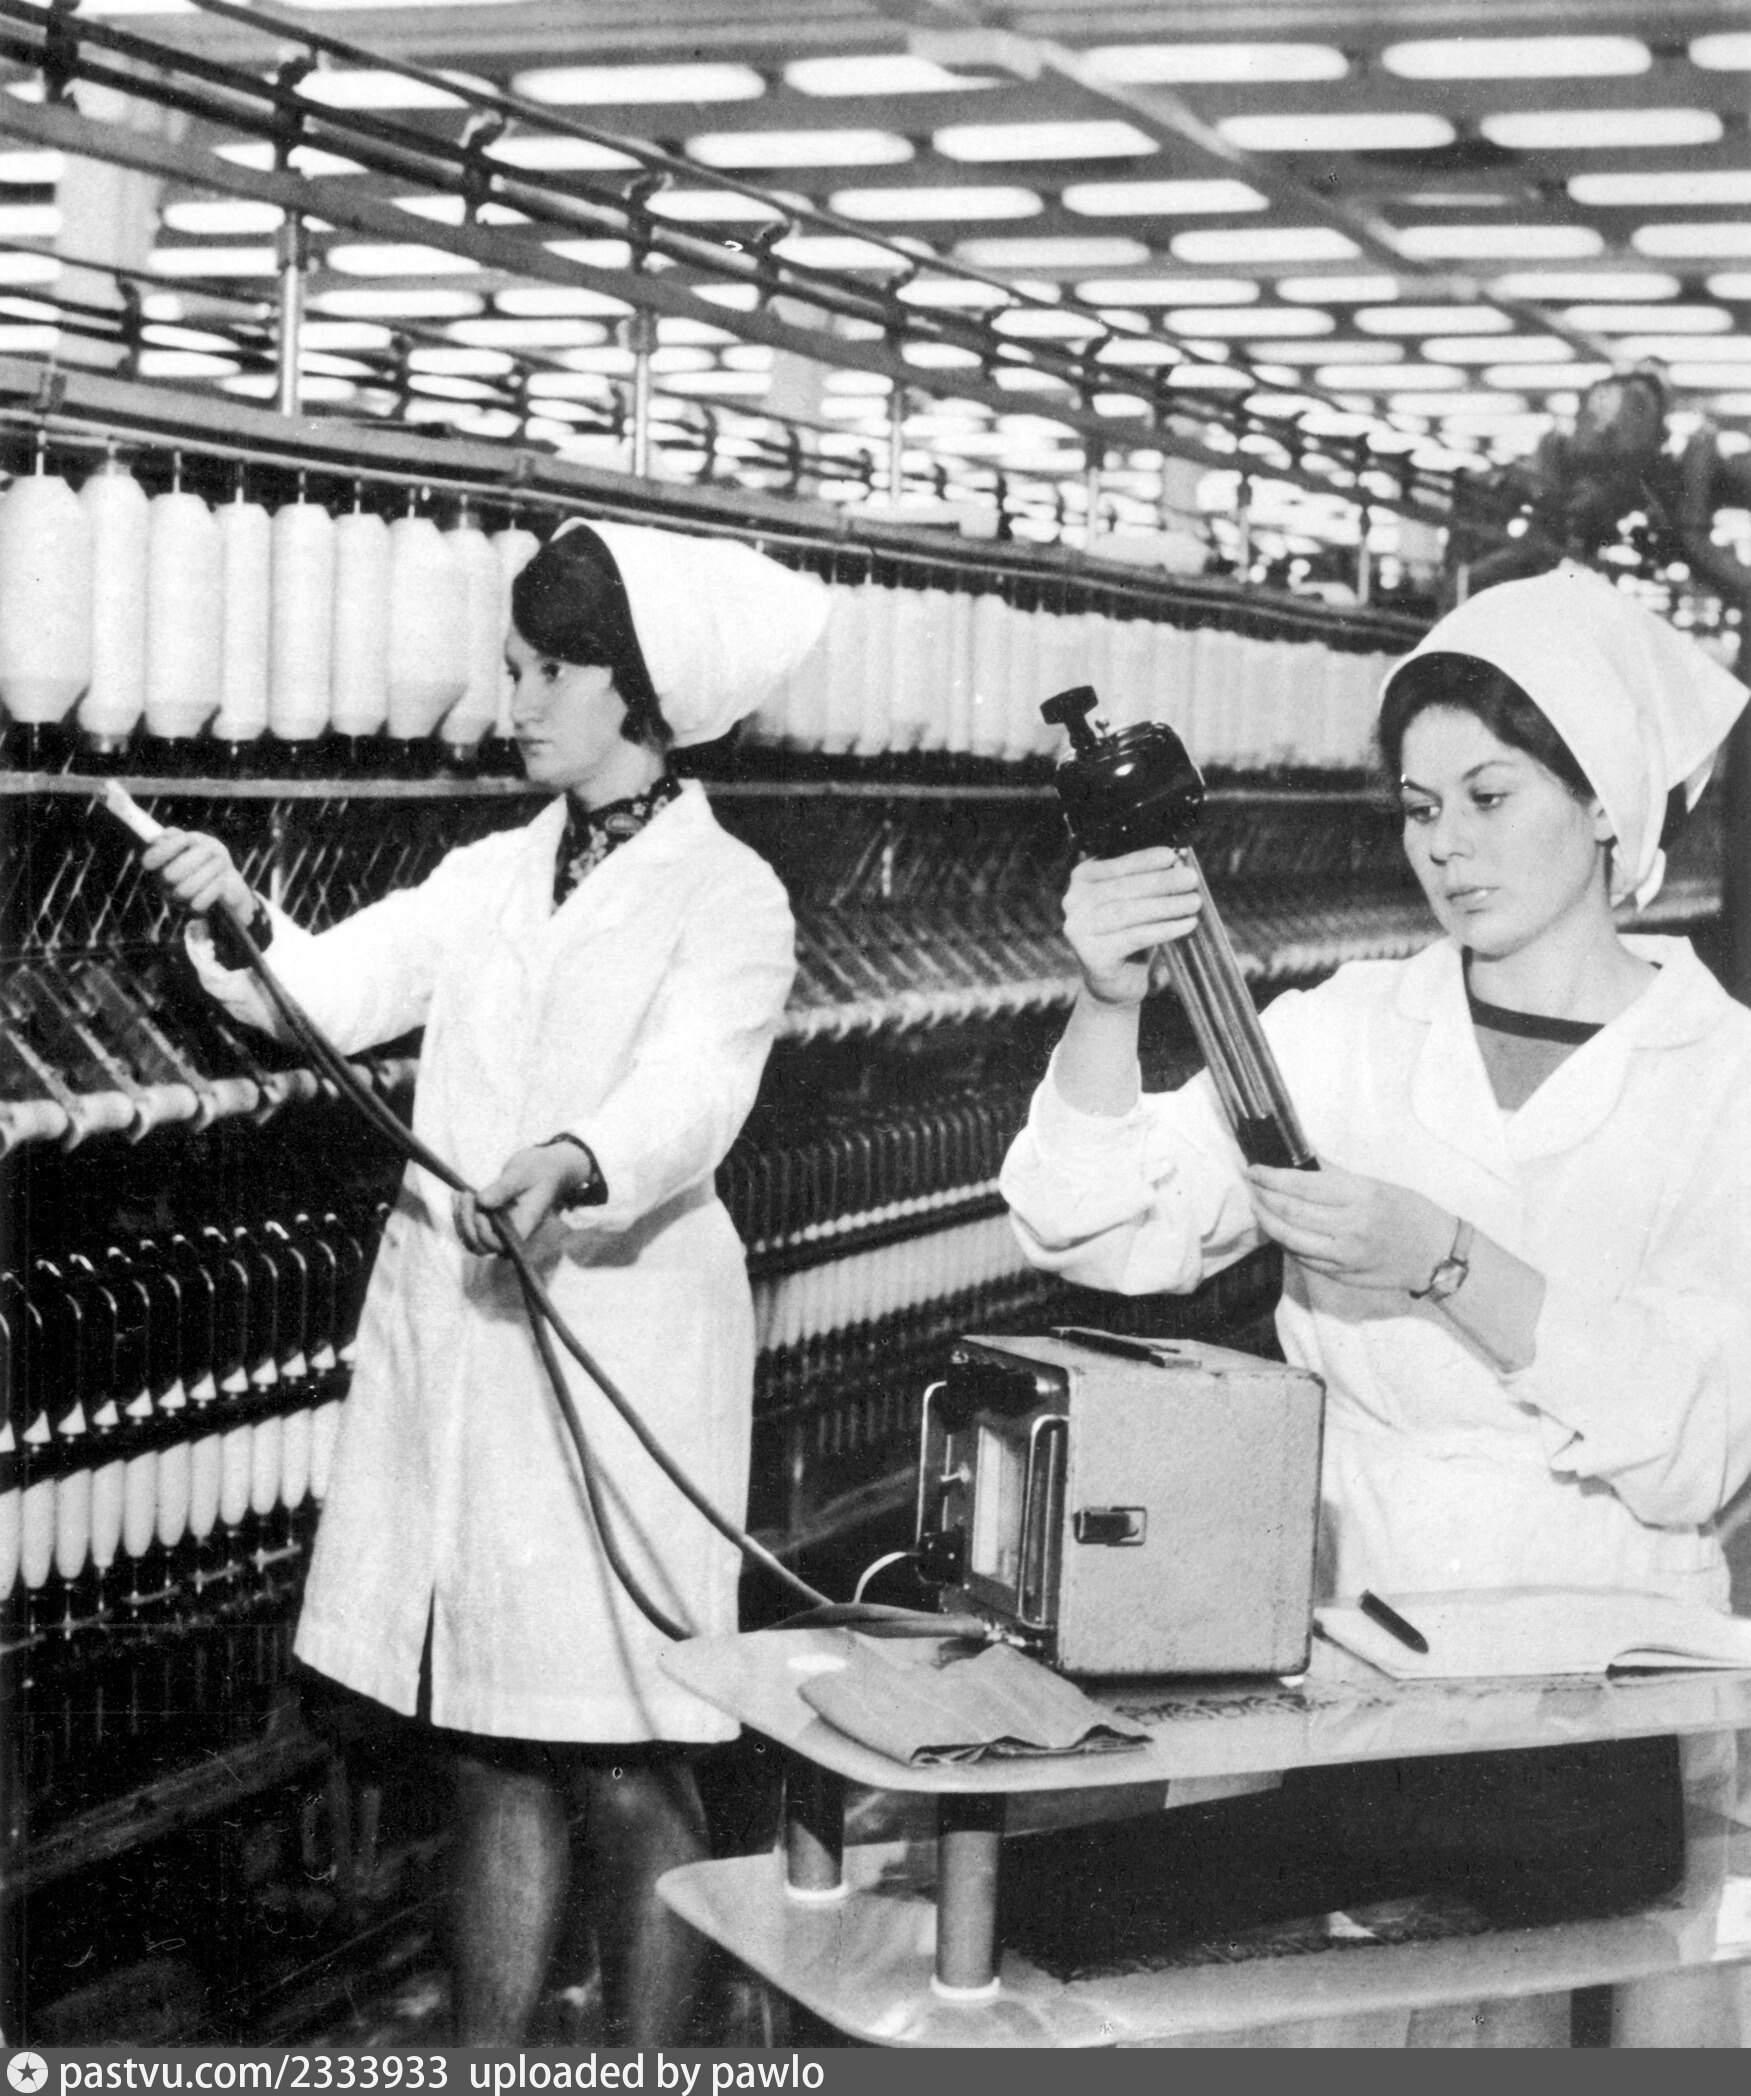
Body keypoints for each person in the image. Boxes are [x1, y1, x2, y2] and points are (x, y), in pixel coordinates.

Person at [999, 564, 1751, 2036]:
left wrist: (1446, 1259)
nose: (1446, 847)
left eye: (1490, 796)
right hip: (1342, 1650)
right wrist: (1106, 1000)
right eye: (1418, 808)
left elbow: (1697, 1448)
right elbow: (1096, 1228)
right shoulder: (1346, 1033)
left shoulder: (1724, 1080)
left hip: (1600, 1695)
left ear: (1604, 803)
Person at [142, 519, 828, 2046]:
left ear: (632, 688)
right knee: (495, 1741)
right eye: (513, 668)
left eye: (547, 673)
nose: (514, 702)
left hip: (620, 1338)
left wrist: (578, 1158)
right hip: (479, 1348)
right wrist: (234, 907)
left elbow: (696, 1090)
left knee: (631, 1747)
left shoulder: (733, 897)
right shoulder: (492, 875)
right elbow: (332, 990)